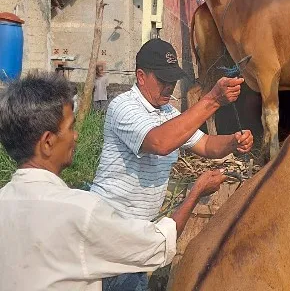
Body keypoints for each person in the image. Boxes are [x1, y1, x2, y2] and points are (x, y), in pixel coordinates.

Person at [0, 73, 225, 290]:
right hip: (122, 238)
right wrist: (196, 193)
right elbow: (157, 245)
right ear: (47, 142)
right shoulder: (79, 212)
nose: (75, 136)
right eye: (70, 128)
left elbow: (203, 142)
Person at [90, 39, 253, 291]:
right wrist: (212, 100)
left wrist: (233, 142)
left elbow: (206, 144)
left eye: (173, 79)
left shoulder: (168, 112)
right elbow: (160, 142)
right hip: (108, 234)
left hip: (138, 235)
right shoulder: (123, 106)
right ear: (140, 76)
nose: (170, 87)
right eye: (163, 80)